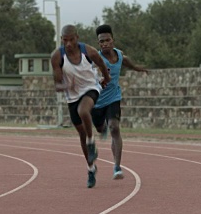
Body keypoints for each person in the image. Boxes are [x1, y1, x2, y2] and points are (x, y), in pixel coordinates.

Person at [51, 24, 111, 188]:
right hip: (72, 96)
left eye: (71, 40)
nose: (68, 44)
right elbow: (57, 85)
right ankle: (91, 169)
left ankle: (92, 142)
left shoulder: (88, 51)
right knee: (81, 135)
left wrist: (106, 78)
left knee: (83, 111)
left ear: (77, 37)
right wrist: (66, 86)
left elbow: (101, 63)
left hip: (91, 88)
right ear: (62, 40)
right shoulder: (57, 56)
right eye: (65, 40)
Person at [91, 24, 148, 180]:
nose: (104, 44)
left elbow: (127, 62)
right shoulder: (95, 58)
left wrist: (138, 68)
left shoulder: (119, 55)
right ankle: (101, 128)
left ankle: (117, 166)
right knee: (100, 128)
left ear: (113, 41)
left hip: (113, 98)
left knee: (114, 127)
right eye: (101, 41)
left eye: (107, 40)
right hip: (96, 102)